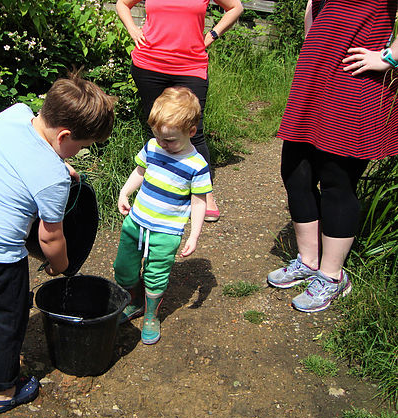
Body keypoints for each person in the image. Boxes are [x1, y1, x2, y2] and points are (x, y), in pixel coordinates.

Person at [0, 72, 115, 412]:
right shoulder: (53, 179)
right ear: (65, 136)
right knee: (7, 320)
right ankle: (4, 389)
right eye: (81, 148)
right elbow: (50, 234)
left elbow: (21, 158)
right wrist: (62, 266)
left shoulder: (12, 115)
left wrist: (58, 167)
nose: (77, 155)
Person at [268, 0, 398, 313]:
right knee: (294, 170)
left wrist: (390, 57)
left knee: (335, 179)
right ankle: (310, 262)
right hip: (314, 77)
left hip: (355, 82)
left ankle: (332, 275)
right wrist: (314, 49)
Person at [116, 0, 243, 223]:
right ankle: (154, 188)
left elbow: (236, 7)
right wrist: (133, 29)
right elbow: (122, 4)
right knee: (155, 127)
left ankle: (205, 194)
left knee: (196, 130)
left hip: (190, 66)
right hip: (149, 64)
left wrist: (212, 34)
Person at [114, 87, 212, 345]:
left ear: (191, 131)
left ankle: (150, 314)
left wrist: (194, 234)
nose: (163, 144)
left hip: (167, 232)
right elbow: (139, 171)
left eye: (170, 140)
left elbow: (199, 201)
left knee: (156, 275)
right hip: (136, 221)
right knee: (123, 269)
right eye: (158, 137)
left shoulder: (197, 165)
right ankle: (133, 301)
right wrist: (125, 192)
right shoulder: (153, 147)